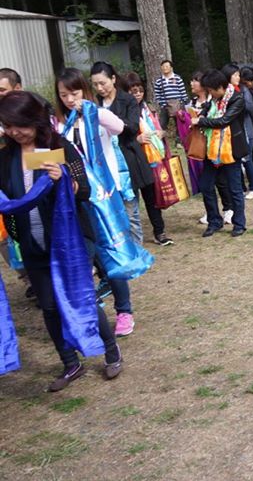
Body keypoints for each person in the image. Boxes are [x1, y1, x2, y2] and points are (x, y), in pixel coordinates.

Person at [0, 91, 123, 391]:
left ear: (35, 120)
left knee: (81, 298)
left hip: (70, 240)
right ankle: (70, 363)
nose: (14, 132)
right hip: (32, 242)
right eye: (7, 125)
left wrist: (65, 178)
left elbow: (86, 191)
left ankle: (111, 351)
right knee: (50, 307)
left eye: (20, 125)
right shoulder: (5, 158)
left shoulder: (58, 146)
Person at [55, 68, 140, 338]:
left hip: (104, 196)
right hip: (77, 198)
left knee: (111, 251)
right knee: (86, 253)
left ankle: (124, 311)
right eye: (64, 95)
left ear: (85, 90)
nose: (70, 99)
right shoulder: (60, 125)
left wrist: (93, 111)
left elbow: (120, 128)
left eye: (74, 93)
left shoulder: (98, 114)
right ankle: (93, 306)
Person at [90, 62, 170, 249]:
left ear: (113, 79)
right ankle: (125, 246)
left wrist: (110, 121)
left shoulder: (127, 100)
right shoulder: (94, 103)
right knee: (121, 207)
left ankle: (147, 240)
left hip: (130, 158)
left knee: (139, 203)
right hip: (107, 160)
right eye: (95, 84)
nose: (99, 88)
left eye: (102, 83)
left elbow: (132, 127)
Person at [191, 69, 248, 237]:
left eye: (211, 90)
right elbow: (206, 110)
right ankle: (214, 221)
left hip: (231, 150)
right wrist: (201, 115)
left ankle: (239, 223)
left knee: (234, 188)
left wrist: (201, 121)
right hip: (212, 149)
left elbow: (224, 121)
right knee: (206, 185)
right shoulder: (213, 99)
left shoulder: (237, 99)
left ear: (220, 87)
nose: (210, 93)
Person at [124, 72, 179, 240]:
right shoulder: (122, 111)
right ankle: (131, 237)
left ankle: (159, 232)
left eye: (140, 90)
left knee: (151, 196)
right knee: (131, 201)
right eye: (133, 91)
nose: (138, 94)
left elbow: (157, 128)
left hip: (151, 158)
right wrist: (137, 140)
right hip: (131, 159)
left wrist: (161, 133)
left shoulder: (147, 109)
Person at [238, 67, 253, 199]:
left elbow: (250, 110)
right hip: (240, 130)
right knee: (239, 160)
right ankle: (241, 187)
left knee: (247, 159)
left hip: (246, 129)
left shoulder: (244, 91)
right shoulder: (237, 90)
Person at [152, 59, 189, 134]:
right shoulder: (159, 81)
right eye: (163, 67)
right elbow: (158, 94)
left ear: (171, 68)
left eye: (166, 66)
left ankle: (180, 138)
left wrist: (183, 103)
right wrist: (162, 104)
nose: (165, 68)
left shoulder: (177, 78)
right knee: (162, 124)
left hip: (178, 105)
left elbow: (182, 91)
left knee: (180, 124)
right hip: (165, 105)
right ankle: (160, 138)